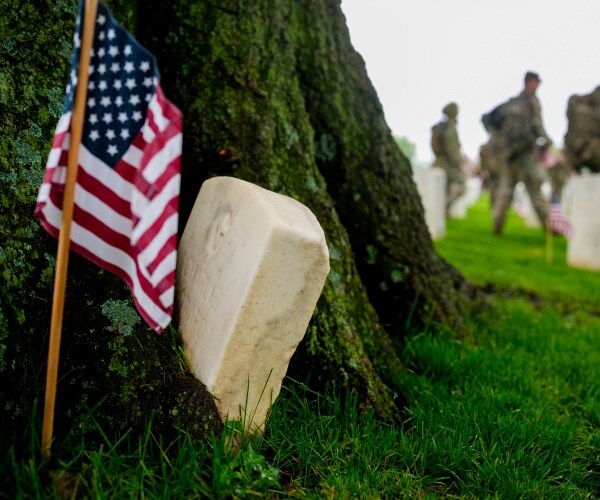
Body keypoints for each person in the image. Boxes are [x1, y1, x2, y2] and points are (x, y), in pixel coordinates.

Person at [482, 71, 552, 235]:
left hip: (509, 154)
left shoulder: (509, 104)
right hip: (525, 154)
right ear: (530, 82)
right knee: (534, 191)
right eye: (536, 83)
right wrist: (547, 140)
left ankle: (497, 224)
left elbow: (490, 122)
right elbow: (537, 125)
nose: (537, 86)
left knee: (505, 190)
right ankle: (549, 227)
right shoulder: (531, 103)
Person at [431, 102, 466, 217]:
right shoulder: (450, 127)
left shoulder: (440, 126)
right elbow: (452, 147)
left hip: (439, 162)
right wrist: (458, 162)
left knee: (444, 189)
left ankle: (442, 211)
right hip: (447, 163)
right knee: (462, 184)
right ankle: (445, 207)